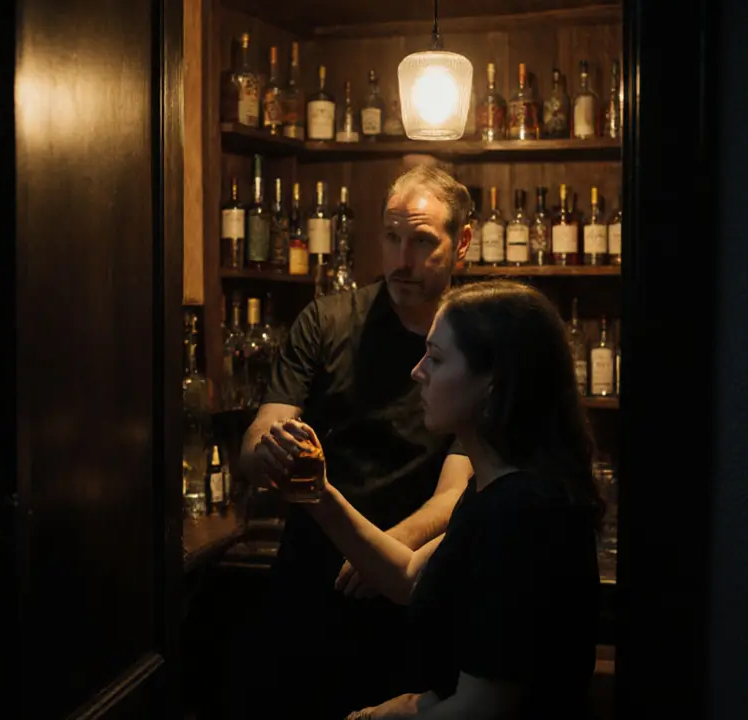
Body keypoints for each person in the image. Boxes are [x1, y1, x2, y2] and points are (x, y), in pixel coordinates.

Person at [265, 280, 604, 719]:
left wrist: (408, 710)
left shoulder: (524, 515)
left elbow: (481, 709)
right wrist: (319, 496)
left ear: (492, 385)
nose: (417, 371)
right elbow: (410, 577)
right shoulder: (494, 491)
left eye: (437, 359)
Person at [236, 165, 475, 719]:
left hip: (414, 595)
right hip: (310, 593)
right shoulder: (327, 321)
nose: (401, 259)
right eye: (392, 238)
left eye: (421, 241)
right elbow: (260, 436)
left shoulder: (475, 337)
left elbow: (455, 491)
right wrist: (266, 450)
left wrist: (382, 556)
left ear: (462, 242)